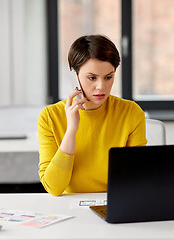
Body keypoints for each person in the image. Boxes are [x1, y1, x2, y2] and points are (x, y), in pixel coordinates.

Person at [38, 35, 147, 196]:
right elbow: (54, 188)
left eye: (108, 77)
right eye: (92, 78)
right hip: (69, 208)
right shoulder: (50, 117)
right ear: (73, 76)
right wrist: (71, 130)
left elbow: (137, 178)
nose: (101, 87)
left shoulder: (131, 112)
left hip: (115, 202)